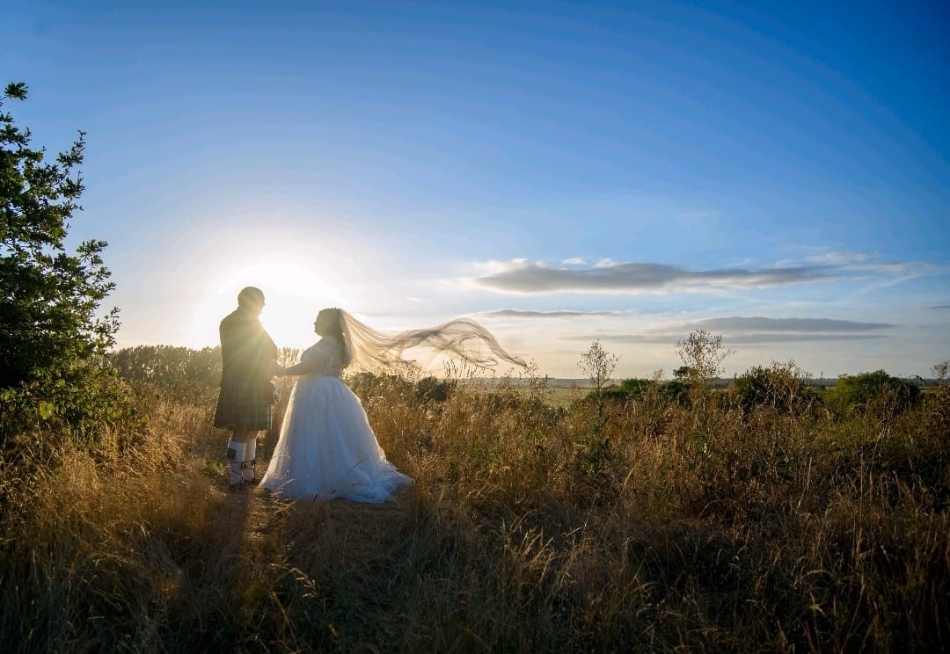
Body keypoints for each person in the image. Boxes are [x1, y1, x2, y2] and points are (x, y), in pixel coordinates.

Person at [261, 308, 527, 502]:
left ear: (328, 323)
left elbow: (309, 366)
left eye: (318, 318)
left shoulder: (326, 344)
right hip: (332, 392)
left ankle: (313, 480)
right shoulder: (336, 345)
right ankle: (331, 476)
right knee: (334, 437)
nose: (314, 321)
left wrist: (281, 371)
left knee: (316, 435)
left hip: (317, 392)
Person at [213, 286, 282, 488]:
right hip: (243, 381)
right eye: (262, 300)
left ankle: (249, 475)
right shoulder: (236, 322)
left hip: (254, 381)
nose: (263, 305)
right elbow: (261, 349)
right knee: (242, 430)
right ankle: (235, 479)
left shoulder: (248, 321)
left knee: (253, 430)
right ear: (252, 301)